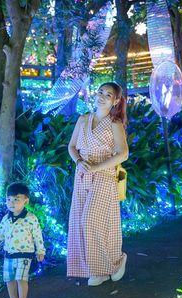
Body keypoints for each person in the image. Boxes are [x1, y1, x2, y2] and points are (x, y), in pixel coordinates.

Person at [67, 82, 129, 286]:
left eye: (108, 94)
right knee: (84, 222)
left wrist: (96, 167)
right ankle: (100, 269)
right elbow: (72, 146)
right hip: (82, 173)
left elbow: (123, 154)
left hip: (104, 175)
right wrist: (78, 161)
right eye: (100, 92)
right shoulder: (83, 119)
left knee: (90, 220)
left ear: (116, 101)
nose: (102, 96)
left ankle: (114, 262)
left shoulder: (114, 123)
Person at [0, 183, 46, 298]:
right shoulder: (6, 218)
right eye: (8, 199)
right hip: (9, 254)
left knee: (21, 279)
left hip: (24, 255)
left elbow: (37, 235)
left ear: (26, 201)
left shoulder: (30, 218)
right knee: (9, 279)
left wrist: (40, 251)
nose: (11, 203)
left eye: (16, 199)